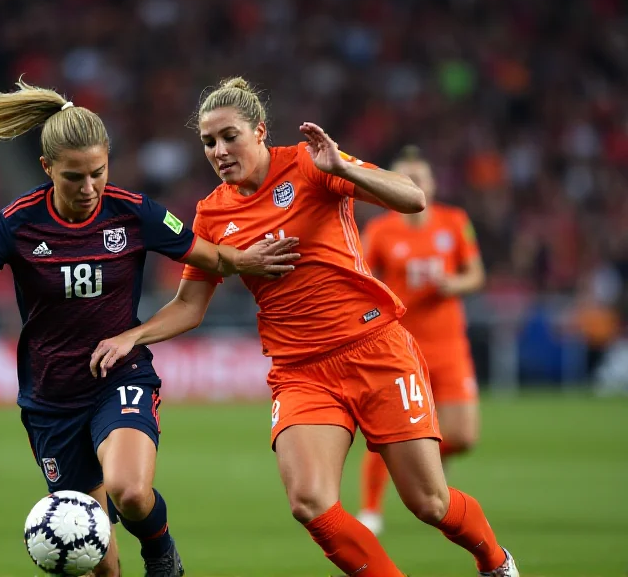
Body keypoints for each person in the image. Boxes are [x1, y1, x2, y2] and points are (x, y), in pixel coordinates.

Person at [92, 78, 519, 577]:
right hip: (300, 370)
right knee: (310, 503)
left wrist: (343, 167)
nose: (219, 150)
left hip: (374, 347)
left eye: (229, 136)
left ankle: (495, 561)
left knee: (429, 502)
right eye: (208, 142)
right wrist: (132, 335)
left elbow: (412, 197)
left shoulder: (309, 164)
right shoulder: (211, 214)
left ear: (259, 131)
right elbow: (190, 305)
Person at [0, 79, 299, 577]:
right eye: (73, 177)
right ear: (47, 170)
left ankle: (162, 555)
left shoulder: (134, 212)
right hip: (50, 401)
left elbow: (206, 253)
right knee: (98, 564)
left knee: (129, 489)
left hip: (119, 377)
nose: (88, 189)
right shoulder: (16, 223)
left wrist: (247, 259)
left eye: (98, 173)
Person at [356, 146, 486, 536]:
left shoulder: (455, 221)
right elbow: (362, 277)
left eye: (421, 178)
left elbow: (476, 274)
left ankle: (416, 466)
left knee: (462, 436)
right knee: (390, 434)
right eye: (406, 178)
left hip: (449, 347)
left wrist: (455, 283)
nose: (415, 184)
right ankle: (371, 509)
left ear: (431, 184)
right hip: (401, 348)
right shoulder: (380, 230)